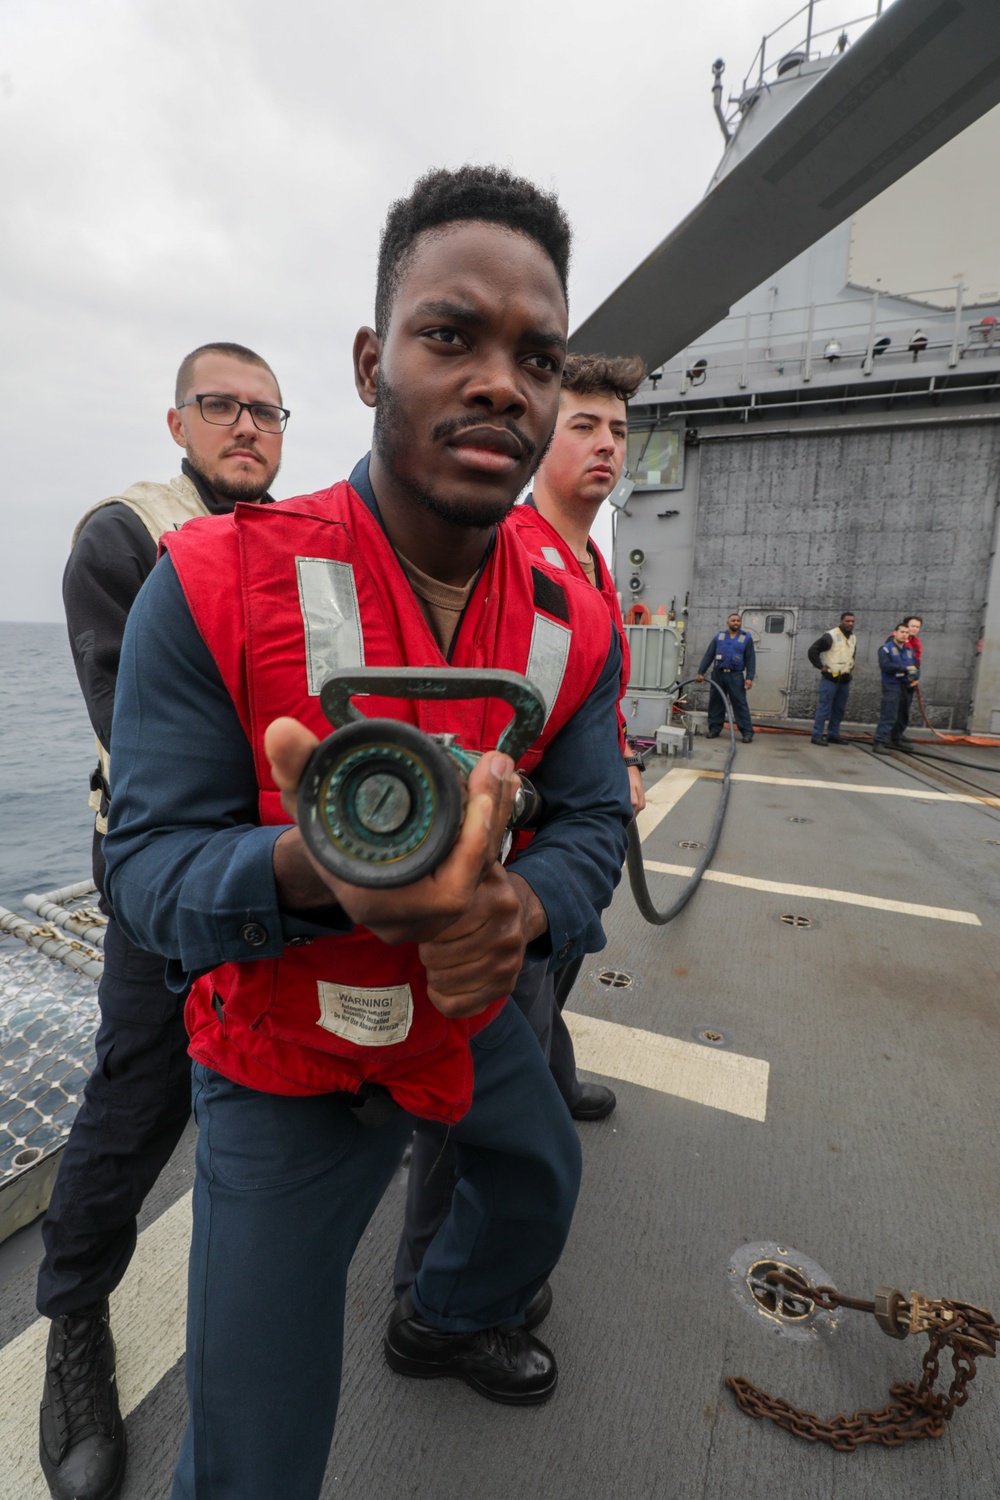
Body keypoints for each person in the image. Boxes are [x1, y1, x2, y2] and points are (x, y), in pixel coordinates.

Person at [102, 165, 632, 1500]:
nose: (504, 383)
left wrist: (522, 913)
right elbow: (147, 865)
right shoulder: (211, 586)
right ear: (368, 361)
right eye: (451, 335)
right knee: (254, 1450)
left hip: (466, 1018)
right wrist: (303, 868)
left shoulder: (577, 623)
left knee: (542, 1176)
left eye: (538, 355)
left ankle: (443, 1311)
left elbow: (595, 818)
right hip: (284, 1058)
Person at [38, 343, 286, 1500]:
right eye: (221, 406)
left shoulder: (305, 550)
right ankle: (75, 1324)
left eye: (265, 410)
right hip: (168, 867)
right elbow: (136, 725)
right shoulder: (125, 539)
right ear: (177, 422)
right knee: (136, 1093)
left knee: (301, 1067)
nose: (247, 426)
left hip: (287, 863)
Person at [392, 351, 647, 1304]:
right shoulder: (512, 557)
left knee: (547, 1010)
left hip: (563, 854)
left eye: (618, 430)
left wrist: (612, 771)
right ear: (542, 437)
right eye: (584, 425)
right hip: (507, 871)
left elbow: (585, 695)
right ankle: (429, 1286)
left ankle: (556, 1078)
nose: (605, 447)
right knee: (469, 1100)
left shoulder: (588, 562)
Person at [695, 612, 756, 741]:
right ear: (728, 623)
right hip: (718, 675)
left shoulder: (746, 638)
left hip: (735, 676)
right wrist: (701, 672)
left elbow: (751, 659)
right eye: (733, 620)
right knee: (716, 702)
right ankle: (714, 729)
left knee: (740, 703)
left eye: (738, 621)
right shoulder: (719, 637)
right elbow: (709, 655)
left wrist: (749, 677)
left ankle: (747, 732)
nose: (736, 623)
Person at [807, 611, 857, 744]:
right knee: (824, 708)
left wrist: (850, 668)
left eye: (852, 621)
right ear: (841, 621)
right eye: (847, 621)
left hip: (844, 679)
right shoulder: (831, 636)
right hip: (831, 679)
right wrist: (820, 666)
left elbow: (851, 655)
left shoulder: (852, 638)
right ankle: (817, 735)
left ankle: (833, 734)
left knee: (839, 709)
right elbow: (813, 650)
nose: (850, 623)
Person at [873, 622, 918, 752]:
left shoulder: (909, 651)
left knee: (903, 714)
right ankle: (879, 741)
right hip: (892, 685)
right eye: (902, 632)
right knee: (889, 714)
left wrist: (915, 678)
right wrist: (905, 668)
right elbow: (885, 666)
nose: (904, 635)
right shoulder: (885, 649)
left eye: (907, 633)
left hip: (907, 686)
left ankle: (896, 739)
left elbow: (915, 667)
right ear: (895, 632)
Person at [897, 613, 923, 741]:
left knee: (904, 710)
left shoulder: (915, 643)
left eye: (917, 627)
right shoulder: (897, 641)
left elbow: (916, 663)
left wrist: (916, 677)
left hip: (910, 681)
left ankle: (899, 734)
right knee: (895, 710)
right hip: (899, 681)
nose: (915, 629)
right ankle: (890, 737)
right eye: (912, 626)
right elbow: (898, 662)